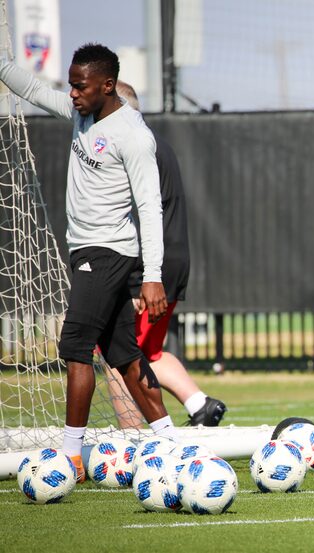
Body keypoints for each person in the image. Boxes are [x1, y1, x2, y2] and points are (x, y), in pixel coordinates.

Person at [0, 44, 177, 482]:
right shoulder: (82, 111)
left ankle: (71, 456)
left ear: (108, 85)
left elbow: (150, 207)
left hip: (107, 253)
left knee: (76, 348)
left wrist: (152, 276)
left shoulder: (133, 134)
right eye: (73, 85)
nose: (73, 93)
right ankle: (172, 444)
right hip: (88, 251)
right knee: (125, 355)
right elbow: (38, 90)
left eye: (80, 86)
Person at [107, 81, 226, 428]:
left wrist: (136, 280)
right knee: (149, 353)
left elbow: (138, 213)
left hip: (149, 268)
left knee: (118, 354)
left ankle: (131, 445)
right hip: (169, 261)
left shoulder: (134, 147)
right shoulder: (156, 143)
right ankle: (200, 405)